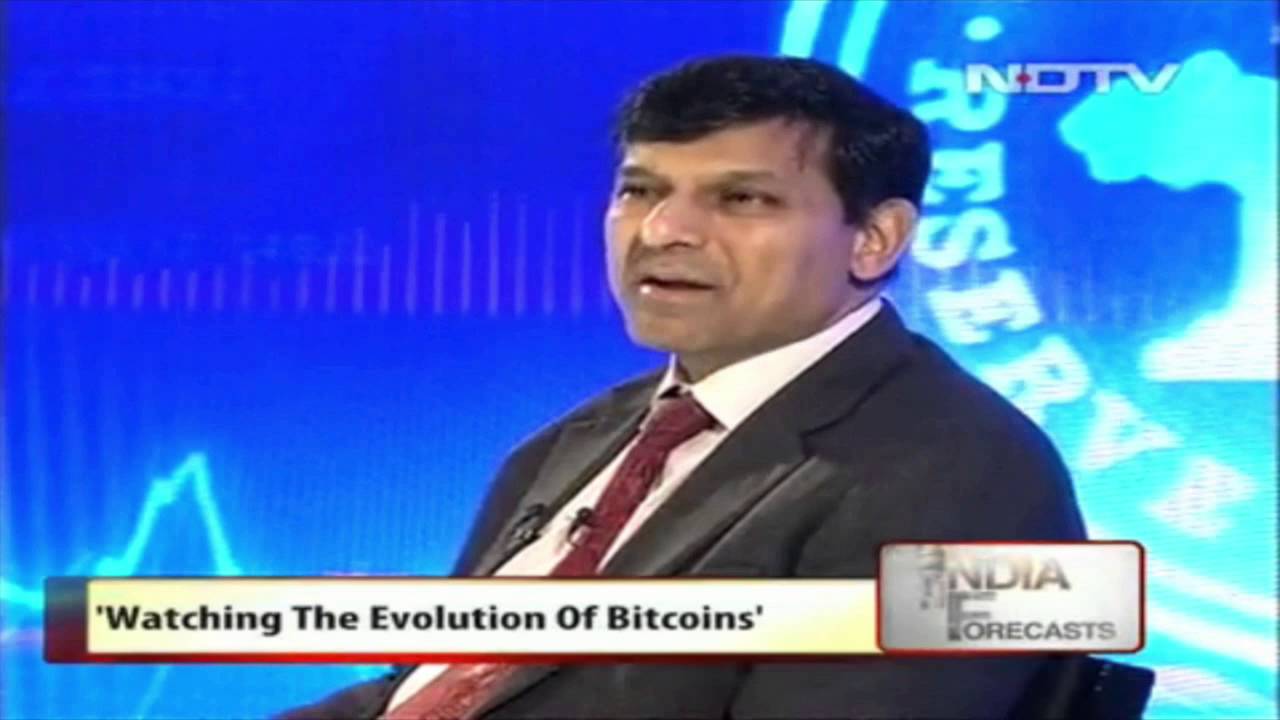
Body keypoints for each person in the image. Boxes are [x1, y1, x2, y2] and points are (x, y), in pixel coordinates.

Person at [280, 54, 1086, 720]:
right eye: (640, 190)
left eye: (741, 199)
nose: (663, 231)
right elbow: (433, 690)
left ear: (875, 238)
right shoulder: (584, 438)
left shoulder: (971, 474)